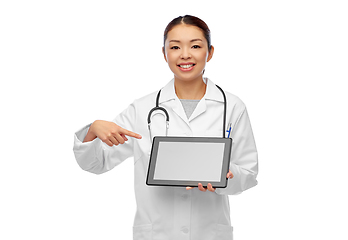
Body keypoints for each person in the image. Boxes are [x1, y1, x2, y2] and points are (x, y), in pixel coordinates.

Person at [73, 15, 258, 240]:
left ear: (209, 52)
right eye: (175, 47)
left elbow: (248, 174)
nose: (185, 54)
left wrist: (225, 176)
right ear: (164, 54)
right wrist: (93, 130)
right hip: (156, 234)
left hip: (209, 233)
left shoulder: (232, 107)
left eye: (196, 46)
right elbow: (96, 163)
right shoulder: (142, 109)